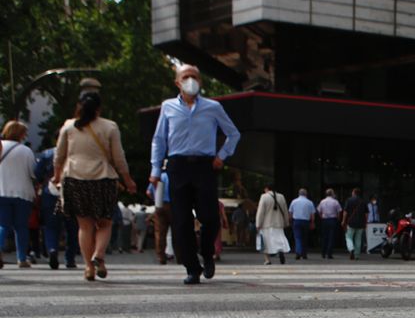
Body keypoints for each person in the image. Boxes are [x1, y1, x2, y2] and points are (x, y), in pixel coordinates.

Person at [149, 63, 241, 285]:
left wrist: (222, 156)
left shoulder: (213, 107)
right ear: (177, 82)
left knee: (209, 216)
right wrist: (155, 169)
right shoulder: (168, 107)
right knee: (181, 222)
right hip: (177, 166)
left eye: (194, 76)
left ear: (200, 81)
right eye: (186, 76)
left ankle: (207, 252)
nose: (190, 80)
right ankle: (192, 267)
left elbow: (233, 134)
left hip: (204, 165)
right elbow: (159, 139)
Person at [53, 91, 137, 281]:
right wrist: (128, 180)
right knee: (105, 222)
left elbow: (59, 155)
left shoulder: (69, 126)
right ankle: (99, 254)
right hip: (103, 178)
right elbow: (119, 157)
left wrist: (57, 176)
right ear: (99, 107)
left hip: (75, 178)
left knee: (85, 226)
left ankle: (89, 267)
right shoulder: (110, 127)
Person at [34, 143, 79, 269]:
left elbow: (37, 174)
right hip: (73, 192)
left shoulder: (46, 154)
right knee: (73, 227)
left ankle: (52, 249)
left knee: (51, 226)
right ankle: (70, 258)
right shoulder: (77, 153)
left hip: (51, 192)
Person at [0, 121, 38, 269]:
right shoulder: (26, 151)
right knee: (21, 227)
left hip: (1, 191)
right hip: (23, 193)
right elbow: (33, 173)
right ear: (21, 134)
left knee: (3, 224)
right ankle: (22, 258)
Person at [256, 185, 289, 265]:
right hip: (279, 223)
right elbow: (285, 211)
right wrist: (286, 222)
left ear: (266, 189)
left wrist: (258, 223)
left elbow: (261, 212)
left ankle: (267, 260)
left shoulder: (264, 197)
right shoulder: (281, 197)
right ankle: (281, 251)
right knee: (279, 239)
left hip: (266, 223)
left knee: (266, 242)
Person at [288, 188, 316, 260]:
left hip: (296, 221)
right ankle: (304, 254)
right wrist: (312, 223)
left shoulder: (294, 201)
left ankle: (298, 252)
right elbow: (312, 215)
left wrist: (290, 221)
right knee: (305, 238)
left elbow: (290, 213)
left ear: (299, 193)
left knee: (297, 237)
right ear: (306, 194)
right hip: (306, 222)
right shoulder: (310, 202)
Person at [341, 187, 366, 260]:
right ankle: (357, 255)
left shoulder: (349, 200)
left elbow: (345, 212)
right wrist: (365, 222)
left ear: (354, 193)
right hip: (361, 223)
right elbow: (366, 214)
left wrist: (343, 221)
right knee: (358, 239)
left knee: (348, 237)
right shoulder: (363, 201)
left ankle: (351, 249)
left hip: (351, 222)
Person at [317, 188, 342, 259]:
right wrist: (338, 218)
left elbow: (319, 210)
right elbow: (339, 211)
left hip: (324, 220)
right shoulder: (335, 202)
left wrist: (321, 217)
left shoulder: (322, 201)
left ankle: (323, 253)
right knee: (331, 237)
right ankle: (329, 253)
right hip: (332, 220)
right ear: (332, 194)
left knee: (324, 237)